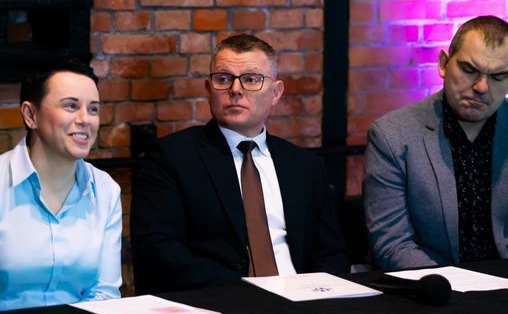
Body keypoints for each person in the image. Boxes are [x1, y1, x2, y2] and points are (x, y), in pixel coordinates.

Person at [131, 34, 349, 294]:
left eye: (251, 80)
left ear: (276, 93)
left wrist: (318, 296)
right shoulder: (172, 157)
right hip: (222, 301)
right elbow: (158, 250)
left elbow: (333, 253)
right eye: (223, 79)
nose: (235, 89)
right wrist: (249, 293)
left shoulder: (305, 166)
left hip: (305, 301)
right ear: (208, 89)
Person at [0, 60, 122, 314]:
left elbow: (104, 292)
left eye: (93, 109)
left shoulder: (106, 190)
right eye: (71, 106)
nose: (85, 119)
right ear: (31, 115)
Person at [364, 15, 508, 271]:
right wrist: (458, 286)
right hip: (434, 286)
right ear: (443, 64)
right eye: (469, 70)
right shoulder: (392, 135)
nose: (482, 87)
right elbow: (393, 246)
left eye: (498, 76)